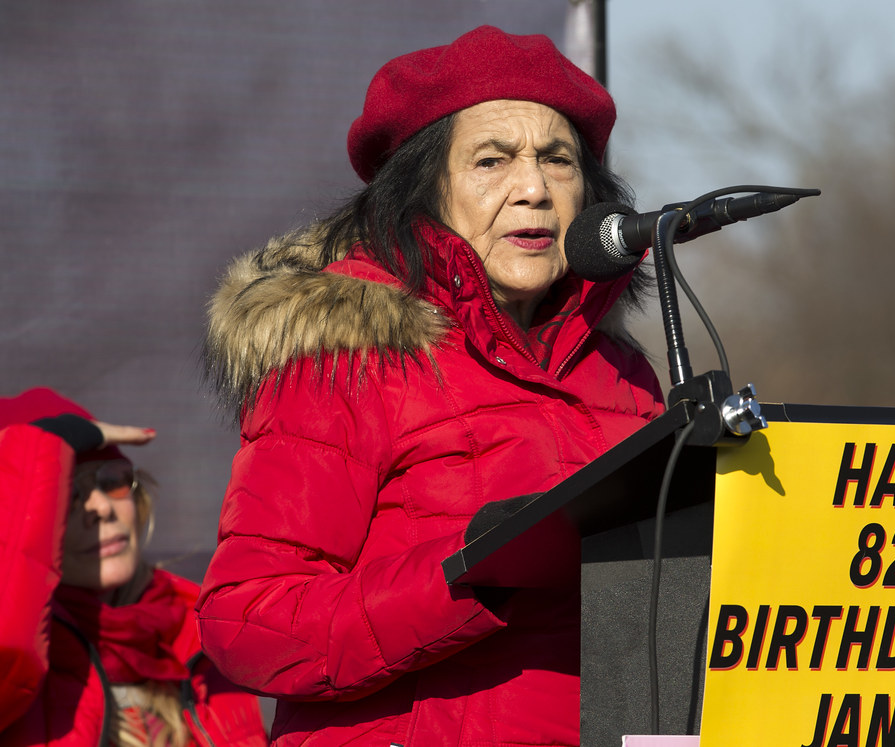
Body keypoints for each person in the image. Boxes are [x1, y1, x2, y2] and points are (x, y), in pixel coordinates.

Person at [196, 25, 665, 746]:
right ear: (425, 190)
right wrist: (474, 573)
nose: (534, 188)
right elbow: (246, 622)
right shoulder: (348, 355)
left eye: (558, 159)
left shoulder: (625, 376)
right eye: (491, 159)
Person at [0, 387, 269, 746]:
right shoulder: (20, 678)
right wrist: (36, 452)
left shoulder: (204, 633)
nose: (102, 508)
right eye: (66, 493)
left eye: (111, 482)